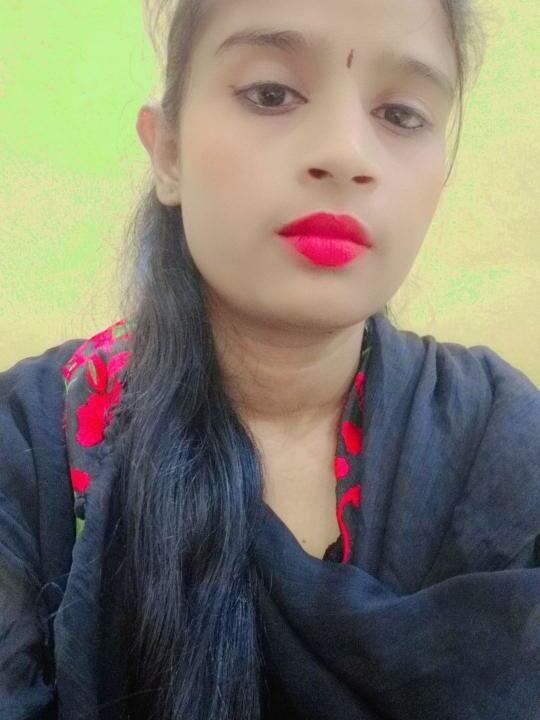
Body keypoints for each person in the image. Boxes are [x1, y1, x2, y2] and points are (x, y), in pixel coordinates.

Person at [1, 1, 539, 719]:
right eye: (271, 93)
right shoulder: (27, 445)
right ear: (168, 153)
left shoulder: (499, 438)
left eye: (401, 114)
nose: (346, 154)